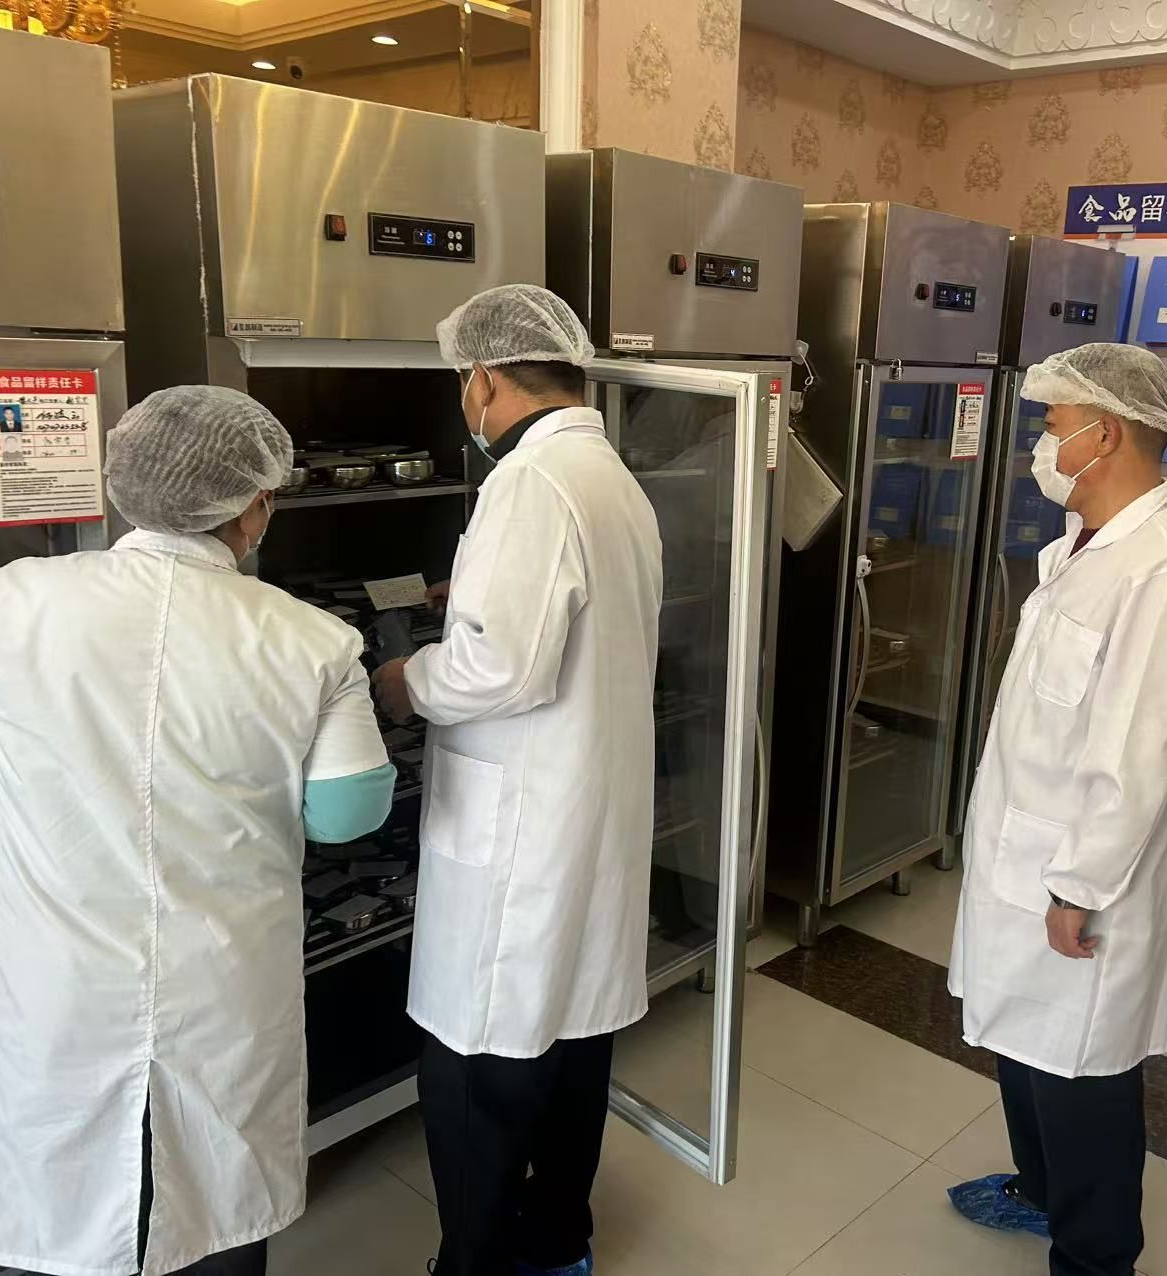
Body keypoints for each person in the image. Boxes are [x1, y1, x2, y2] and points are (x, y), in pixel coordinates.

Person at [0, 385, 394, 1276]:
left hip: (55, 977)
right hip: (223, 975)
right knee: (216, 1193)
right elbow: (345, 815)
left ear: (125, 485)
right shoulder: (315, 640)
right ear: (255, 505)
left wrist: (56, 790)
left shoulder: (6, 601)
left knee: (59, 1187)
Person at [372, 285, 662, 1276]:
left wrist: (406, 680)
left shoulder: (530, 482)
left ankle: (479, 1263)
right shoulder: (606, 476)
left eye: (464, 381)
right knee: (573, 1041)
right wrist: (473, 600)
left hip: (522, 835)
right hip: (585, 812)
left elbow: (500, 668)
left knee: (480, 1064)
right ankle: (557, 1242)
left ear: (485, 378)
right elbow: (561, 615)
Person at [946, 344, 1167, 1276]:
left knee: (1081, 1071)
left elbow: (1139, 759)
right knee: (1025, 1045)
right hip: (1024, 854)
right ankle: (1039, 1190)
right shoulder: (1081, 550)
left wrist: (1080, 885)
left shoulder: (1163, 575)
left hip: (1082, 879)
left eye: (1052, 424)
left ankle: (1097, 1254)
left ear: (1103, 435)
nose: (1042, 442)